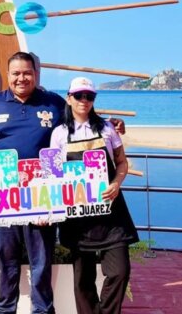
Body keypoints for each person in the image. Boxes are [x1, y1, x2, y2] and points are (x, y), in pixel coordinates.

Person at [0, 52, 66, 314]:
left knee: (41, 259)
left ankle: (42, 310)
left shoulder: (54, 102)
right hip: (3, 194)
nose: (21, 78)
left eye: (27, 73)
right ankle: (5, 309)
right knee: (6, 259)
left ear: (36, 74)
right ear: (8, 75)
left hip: (41, 192)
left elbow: (80, 126)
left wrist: (110, 128)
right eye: (16, 73)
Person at [50, 77, 138, 314]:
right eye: (79, 95)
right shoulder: (59, 134)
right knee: (82, 279)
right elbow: (53, 173)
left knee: (120, 271)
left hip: (111, 212)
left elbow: (121, 162)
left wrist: (117, 183)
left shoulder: (107, 128)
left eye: (89, 96)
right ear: (69, 98)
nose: (84, 100)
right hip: (78, 215)